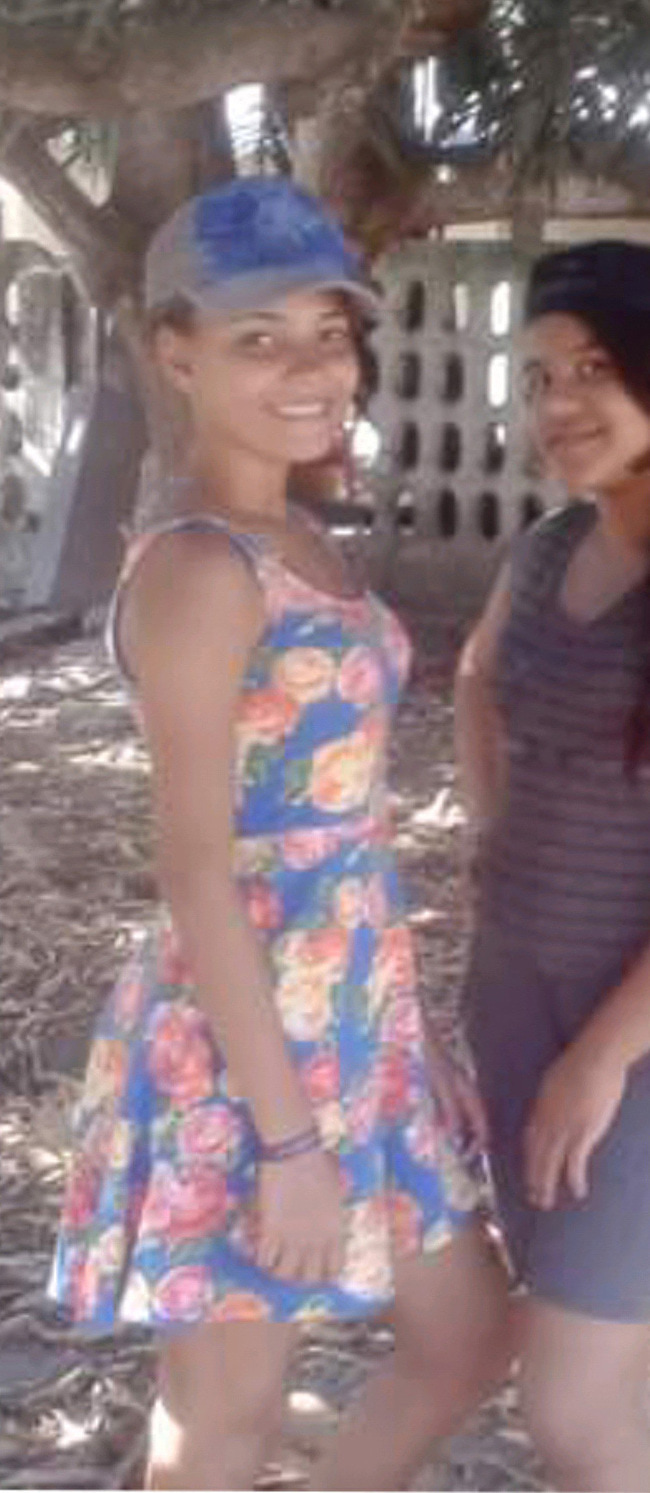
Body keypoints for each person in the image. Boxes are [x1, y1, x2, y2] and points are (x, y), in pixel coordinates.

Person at [48, 177, 507, 1491]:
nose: (311, 369)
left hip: (351, 1020)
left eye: (328, 331)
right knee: (225, 1419)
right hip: (241, 1054)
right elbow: (196, 871)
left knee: (468, 1338)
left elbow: (337, 828)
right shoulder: (202, 567)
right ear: (174, 353)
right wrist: (289, 1145)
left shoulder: (295, 533)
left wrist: (398, 1035)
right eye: (259, 338)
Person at [456, 239, 650, 1492]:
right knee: (592, 1353)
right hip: (513, 1000)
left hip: (628, 1038)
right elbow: (477, 677)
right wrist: (494, 831)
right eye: (535, 377)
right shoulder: (543, 548)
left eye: (590, 368)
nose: (555, 403)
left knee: (571, 1406)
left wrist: (601, 1055)